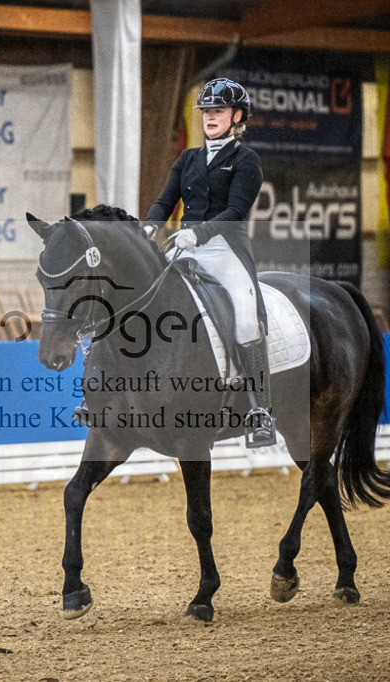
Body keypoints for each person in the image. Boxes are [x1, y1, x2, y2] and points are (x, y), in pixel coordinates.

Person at [145, 77, 275, 447]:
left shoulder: (246, 160)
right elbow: (165, 200)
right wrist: (149, 227)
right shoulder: (187, 158)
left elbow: (235, 211)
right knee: (143, 293)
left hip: (224, 250)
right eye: (206, 111)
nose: (210, 117)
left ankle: (260, 410)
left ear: (236, 116)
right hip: (185, 247)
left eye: (218, 111)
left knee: (247, 318)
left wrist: (198, 233)